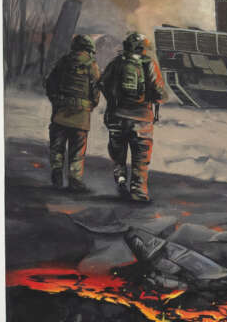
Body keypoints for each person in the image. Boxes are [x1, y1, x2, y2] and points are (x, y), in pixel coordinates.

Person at [100, 32, 168, 202]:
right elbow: (159, 92)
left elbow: (102, 83)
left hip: (117, 118)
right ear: (144, 48)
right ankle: (138, 191)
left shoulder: (117, 63)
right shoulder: (149, 64)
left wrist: (114, 100)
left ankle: (120, 176)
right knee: (140, 157)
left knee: (118, 152)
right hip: (142, 120)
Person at [44, 34, 101, 193]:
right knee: (77, 149)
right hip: (81, 115)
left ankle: (56, 171)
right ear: (89, 49)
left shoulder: (63, 62)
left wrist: (56, 100)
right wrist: (90, 105)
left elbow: (50, 83)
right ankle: (75, 180)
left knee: (57, 145)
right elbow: (96, 89)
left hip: (60, 112)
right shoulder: (92, 65)